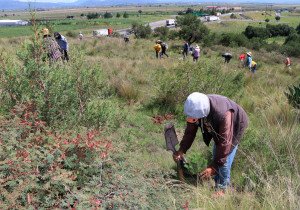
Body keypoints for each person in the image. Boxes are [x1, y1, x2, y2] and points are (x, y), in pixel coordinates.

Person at [173, 92, 248, 196]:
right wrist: (182, 150)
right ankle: (218, 182)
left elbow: (225, 143)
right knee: (217, 153)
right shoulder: (195, 108)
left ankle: (223, 189)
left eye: (194, 119)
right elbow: (190, 132)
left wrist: (214, 167)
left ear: (202, 114)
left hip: (236, 124)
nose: (192, 120)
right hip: (218, 124)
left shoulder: (223, 114)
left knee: (224, 159)